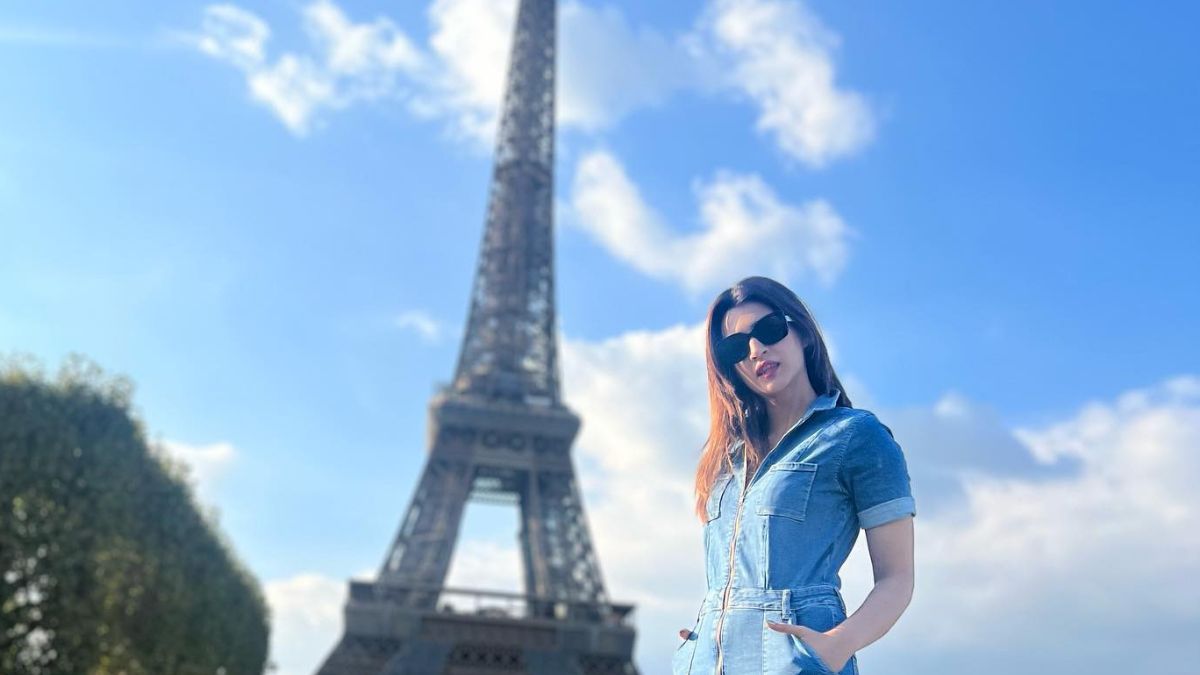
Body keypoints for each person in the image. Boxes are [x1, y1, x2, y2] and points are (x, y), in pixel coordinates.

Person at [672, 276, 917, 675]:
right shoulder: (724, 458)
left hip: (794, 665)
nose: (755, 350)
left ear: (802, 332)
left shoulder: (856, 436)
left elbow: (898, 578)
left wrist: (837, 646)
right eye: (736, 346)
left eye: (768, 330)